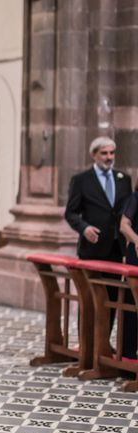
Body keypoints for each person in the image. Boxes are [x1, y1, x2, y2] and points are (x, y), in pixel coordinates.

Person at [65, 136, 132, 356]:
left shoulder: (124, 179)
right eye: (104, 153)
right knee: (90, 297)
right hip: (92, 250)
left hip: (115, 249)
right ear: (94, 154)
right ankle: (87, 343)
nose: (109, 158)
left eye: (112, 153)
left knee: (111, 298)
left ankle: (103, 344)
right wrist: (84, 228)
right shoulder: (81, 180)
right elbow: (71, 213)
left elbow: (125, 212)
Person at [119, 183, 138, 361]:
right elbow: (124, 225)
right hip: (136, 256)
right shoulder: (135, 198)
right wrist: (137, 240)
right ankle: (128, 353)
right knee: (132, 304)